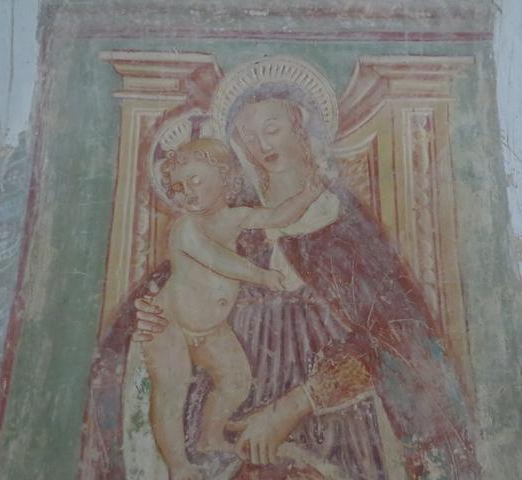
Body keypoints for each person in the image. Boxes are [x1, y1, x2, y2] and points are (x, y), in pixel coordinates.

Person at [134, 57, 481, 479]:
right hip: (237, 419)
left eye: (272, 128)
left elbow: (395, 336)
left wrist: (292, 406)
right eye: (247, 135)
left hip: (338, 429)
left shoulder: (344, 225)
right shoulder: (235, 223)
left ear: (300, 125)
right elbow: (186, 283)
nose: (261, 144)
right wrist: (153, 316)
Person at [143, 137, 323, 480]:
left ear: (224, 177)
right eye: (179, 187)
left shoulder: (236, 216)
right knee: (172, 388)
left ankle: (210, 438)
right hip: (170, 325)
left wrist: (306, 196)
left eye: (195, 180)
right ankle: (178, 466)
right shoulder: (185, 227)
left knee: (236, 380)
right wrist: (262, 276)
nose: (187, 192)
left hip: (212, 329)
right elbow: (219, 260)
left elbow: (275, 216)